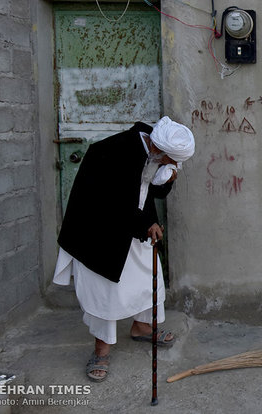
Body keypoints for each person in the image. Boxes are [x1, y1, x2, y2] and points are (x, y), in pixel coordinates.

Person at [53, 116, 195, 382]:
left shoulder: (152, 149)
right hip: (99, 233)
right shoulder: (110, 153)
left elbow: (150, 193)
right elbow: (112, 206)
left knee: (146, 280)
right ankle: (101, 350)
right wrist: (146, 224)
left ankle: (141, 328)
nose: (173, 165)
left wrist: (166, 179)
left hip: (133, 226)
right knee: (105, 293)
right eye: (171, 160)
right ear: (157, 149)